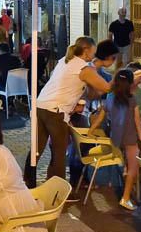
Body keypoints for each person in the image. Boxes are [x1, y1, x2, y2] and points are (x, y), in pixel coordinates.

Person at [23, 37, 115, 188]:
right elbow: (106, 88)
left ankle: (28, 181)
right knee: (59, 151)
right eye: (93, 51)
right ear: (86, 51)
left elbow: (90, 93)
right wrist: (124, 76)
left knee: (37, 148)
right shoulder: (84, 68)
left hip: (41, 105)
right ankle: (57, 188)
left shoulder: (64, 61)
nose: (94, 54)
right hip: (56, 111)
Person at [91, 70, 141, 210]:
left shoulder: (109, 97)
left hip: (115, 138)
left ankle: (125, 172)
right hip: (130, 137)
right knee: (134, 167)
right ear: (130, 83)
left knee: (126, 161)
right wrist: (140, 136)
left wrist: (90, 130)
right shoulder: (132, 99)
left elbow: (101, 117)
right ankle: (125, 198)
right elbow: (137, 120)